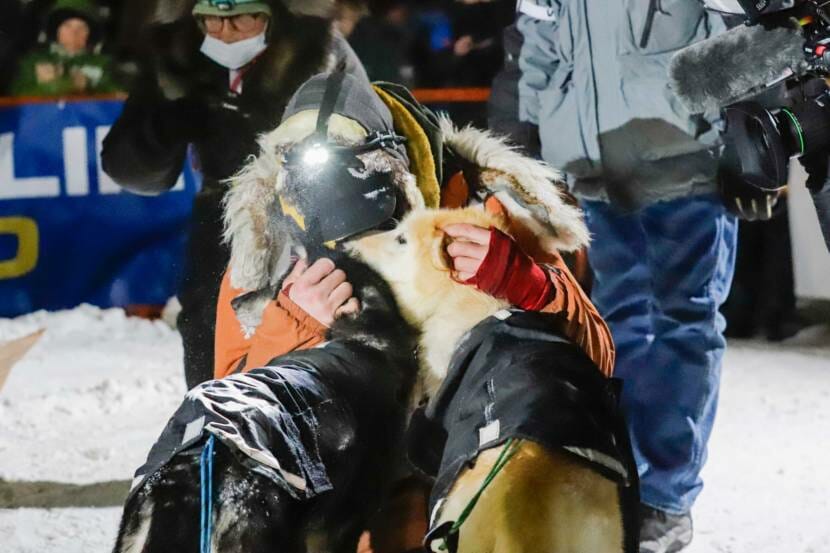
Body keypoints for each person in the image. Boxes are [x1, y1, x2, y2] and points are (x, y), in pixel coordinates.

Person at [214, 71, 621, 552]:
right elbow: (230, 418)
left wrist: (527, 285)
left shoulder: (478, 210)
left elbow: (593, 365)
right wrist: (292, 328)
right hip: (344, 491)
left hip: (469, 476)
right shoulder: (268, 251)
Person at [516, 1, 748, 551]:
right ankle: (625, 479)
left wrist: (743, 127)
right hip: (594, 162)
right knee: (618, 325)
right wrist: (530, 124)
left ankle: (666, 498)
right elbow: (537, 35)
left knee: (684, 324)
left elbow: (746, 27)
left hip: (685, 154)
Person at [101, 0, 367, 388]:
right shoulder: (180, 61)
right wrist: (166, 121)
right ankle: (212, 427)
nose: (224, 32)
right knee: (208, 325)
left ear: (272, 16)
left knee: (310, 326)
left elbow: (368, 125)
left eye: (239, 18)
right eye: (211, 20)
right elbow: (135, 171)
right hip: (221, 218)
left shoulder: (320, 52)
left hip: (313, 216)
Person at [10, 0, 119, 97]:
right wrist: (45, 86)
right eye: (67, 26)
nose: (74, 33)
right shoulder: (33, 61)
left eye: (82, 27)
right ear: (56, 30)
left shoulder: (104, 64)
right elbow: (15, 100)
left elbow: (117, 98)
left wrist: (88, 88)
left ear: (90, 34)